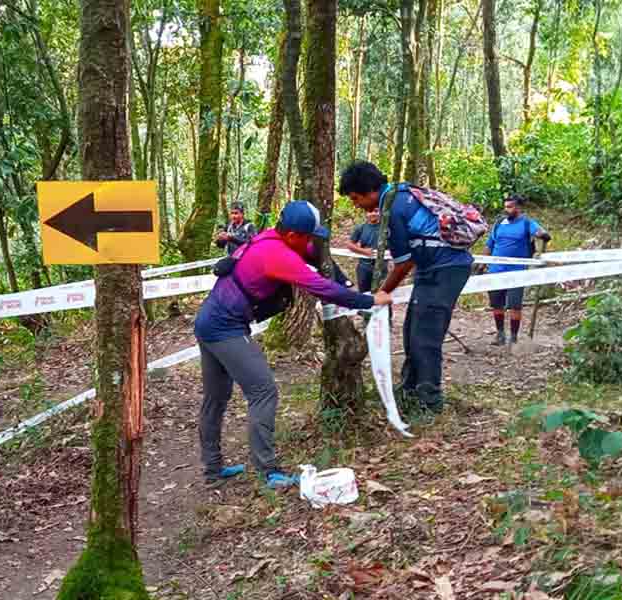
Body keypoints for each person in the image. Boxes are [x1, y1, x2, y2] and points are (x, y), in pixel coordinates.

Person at [193, 201, 392, 489]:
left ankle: (212, 471)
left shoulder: (268, 238)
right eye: (308, 235)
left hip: (208, 320)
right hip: (225, 327)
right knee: (263, 391)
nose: (311, 241)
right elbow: (319, 287)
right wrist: (369, 300)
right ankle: (269, 472)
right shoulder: (276, 254)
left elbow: (316, 254)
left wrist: (346, 282)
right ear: (293, 235)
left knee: (216, 398)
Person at [337, 161, 472, 414]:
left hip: (446, 269)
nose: (355, 204)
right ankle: (409, 390)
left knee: (425, 337)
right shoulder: (399, 194)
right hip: (430, 269)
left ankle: (429, 402)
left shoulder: (394, 207)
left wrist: (381, 293)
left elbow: (403, 263)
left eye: (356, 198)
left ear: (369, 191)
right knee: (412, 331)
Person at [481, 195, 551, 346]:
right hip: (495, 270)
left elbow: (539, 231)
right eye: (506, 207)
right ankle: (500, 335)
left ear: (518, 208)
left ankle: (513, 338)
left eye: (510, 207)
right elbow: (490, 244)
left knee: (514, 305)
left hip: (517, 272)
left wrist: (542, 235)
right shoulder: (499, 223)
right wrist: (481, 262)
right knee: (496, 304)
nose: (507, 210)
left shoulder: (527, 223)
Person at [342, 208, 388, 292]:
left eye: (376, 211)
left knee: (381, 292)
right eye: (370, 211)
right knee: (364, 293)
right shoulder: (361, 227)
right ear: (366, 213)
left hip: (382, 266)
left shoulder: (386, 228)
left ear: (380, 212)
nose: (373, 214)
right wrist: (363, 251)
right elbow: (349, 244)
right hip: (364, 266)